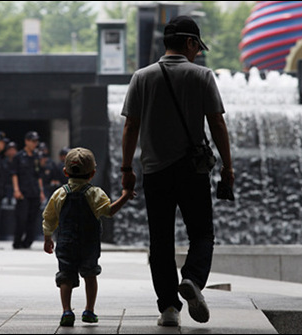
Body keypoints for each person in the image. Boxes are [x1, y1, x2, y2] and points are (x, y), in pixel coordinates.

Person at [120, 16, 234, 326]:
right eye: (198, 46)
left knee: (160, 241)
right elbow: (217, 123)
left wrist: (126, 168)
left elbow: (131, 125)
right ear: (189, 43)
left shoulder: (141, 77)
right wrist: (227, 165)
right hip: (192, 170)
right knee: (202, 232)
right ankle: (194, 279)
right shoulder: (202, 76)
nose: (199, 52)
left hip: (155, 171)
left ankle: (169, 309)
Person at [42, 147, 134, 327]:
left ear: (65, 171)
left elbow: (49, 217)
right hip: (89, 243)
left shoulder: (60, 193)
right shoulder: (95, 193)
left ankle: (66, 311)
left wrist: (47, 237)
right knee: (90, 275)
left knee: (66, 277)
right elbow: (109, 211)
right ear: (92, 173)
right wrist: (125, 196)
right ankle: (89, 311)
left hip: (66, 242)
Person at [11, 131, 45, 249]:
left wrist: (41, 191)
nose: (35, 144)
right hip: (23, 192)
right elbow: (14, 174)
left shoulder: (36, 157)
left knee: (33, 218)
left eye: (36, 141)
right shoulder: (19, 156)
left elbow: (38, 175)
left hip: (34, 191)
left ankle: (28, 242)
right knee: (21, 218)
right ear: (26, 141)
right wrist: (16, 189)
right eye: (32, 141)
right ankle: (17, 241)